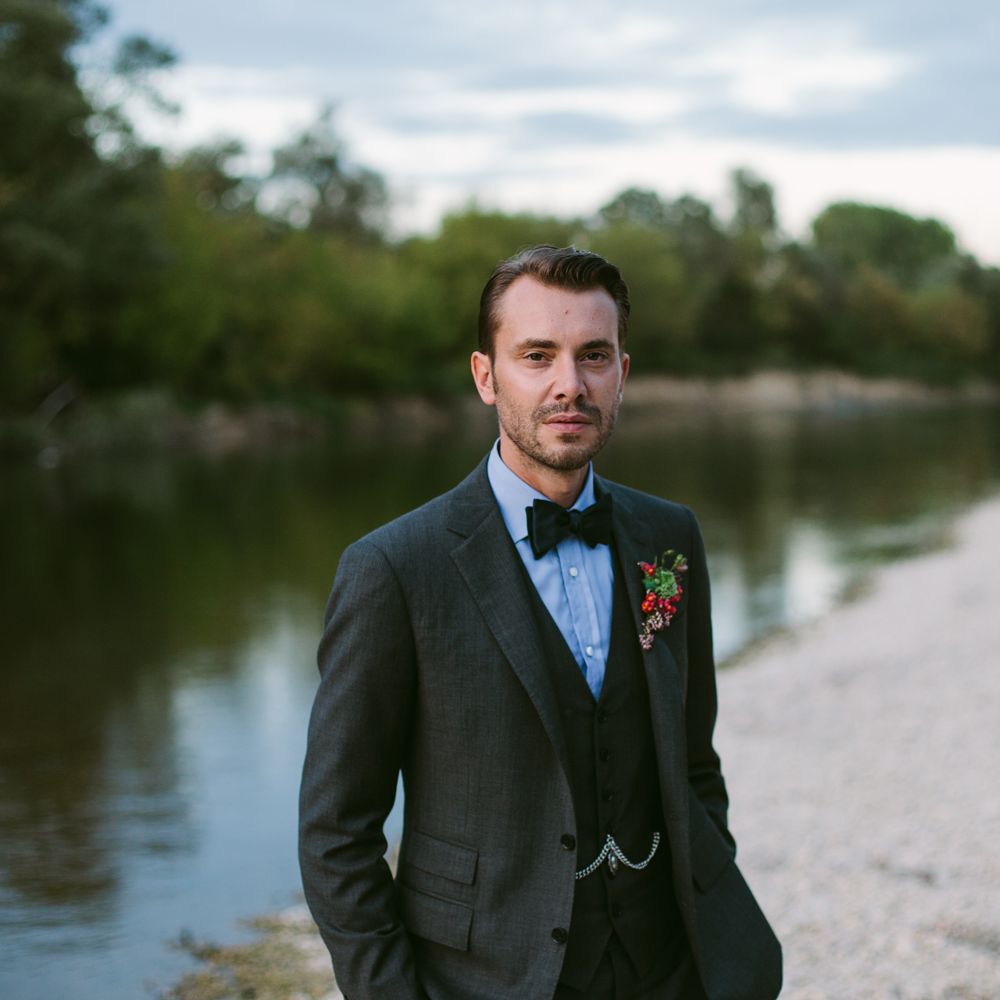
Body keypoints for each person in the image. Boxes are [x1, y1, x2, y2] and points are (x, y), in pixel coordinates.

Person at [299, 245, 782, 1000]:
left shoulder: (670, 537)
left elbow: (694, 758)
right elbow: (336, 833)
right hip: (488, 979)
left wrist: (705, 878)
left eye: (594, 355)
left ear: (623, 371)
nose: (570, 385)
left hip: (674, 971)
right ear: (485, 376)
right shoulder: (394, 569)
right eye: (537, 356)